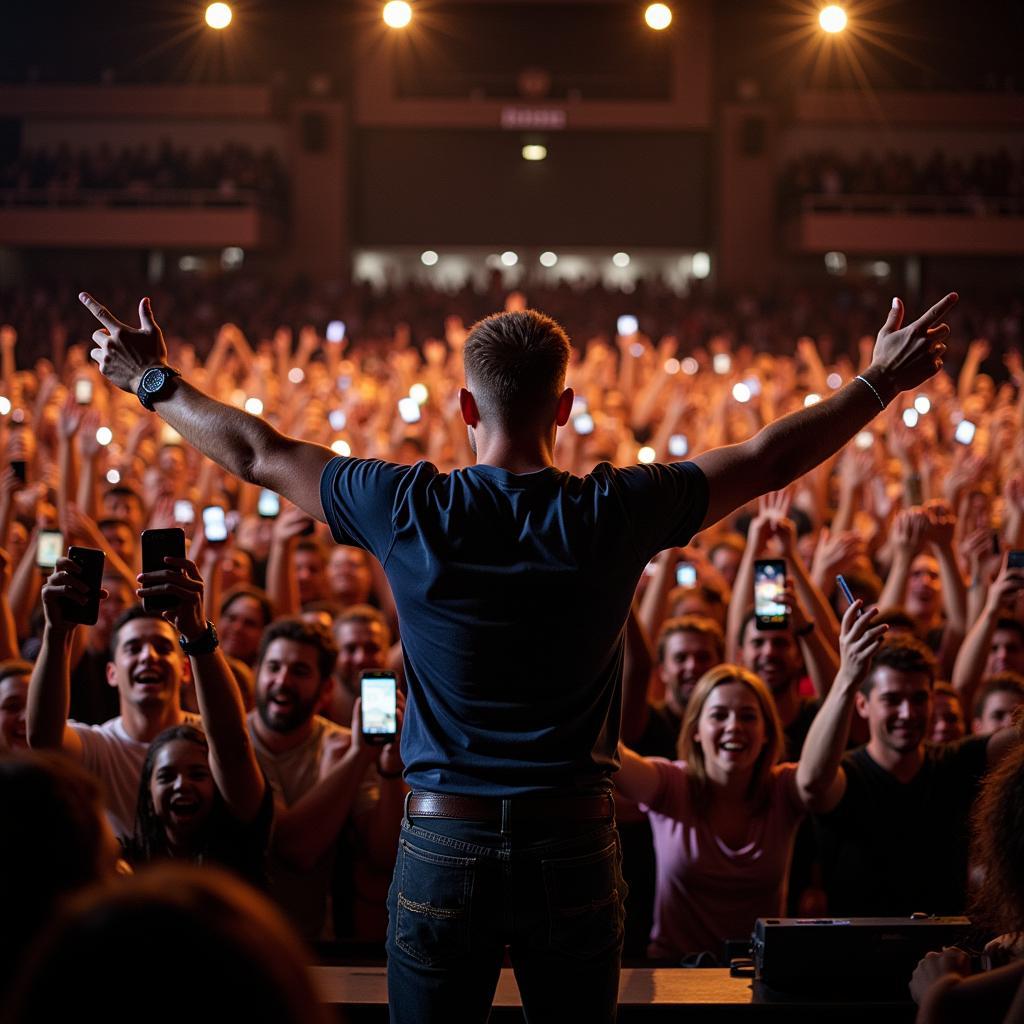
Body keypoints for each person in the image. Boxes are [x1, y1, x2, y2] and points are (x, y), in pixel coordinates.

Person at [80, 287, 956, 1022]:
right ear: (565, 410)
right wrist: (879, 381)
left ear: (466, 407)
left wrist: (150, 379)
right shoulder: (614, 512)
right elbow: (766, 458)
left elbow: (259, 452)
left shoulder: (405, 504)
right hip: (573, 840)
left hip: (441, 838)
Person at [616, 601, 887, 961]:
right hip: (673, 974)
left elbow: (815, 780)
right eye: (719, 715)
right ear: (696, 730)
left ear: (765, 734)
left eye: (747, 716)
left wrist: (847, 678)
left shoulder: (782, 790)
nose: (733, 726)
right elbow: (609, 755)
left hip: (758, 973)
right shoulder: (670, 784)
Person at [816, 636, 1020, 916]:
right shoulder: (846, 775)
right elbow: (811, 783)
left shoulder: (955, 762)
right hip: (857, 953)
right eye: (892, 699)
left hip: (945, 952)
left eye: (919, 698)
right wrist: (847, 678)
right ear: (862, 704)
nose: (907, 712)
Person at [124, 555, 271, 884]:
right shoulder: (125, 859)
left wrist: (197, 634)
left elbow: (231, 745)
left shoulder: (238, 837)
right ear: (147, 794)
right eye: (165, 776)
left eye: (198, 773)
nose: (182, 785)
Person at [26, 582, 199, 838]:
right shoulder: (99, 745)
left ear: (185, 670)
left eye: (162, 647)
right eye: (133, 648)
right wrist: (57, 631)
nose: (148, 656)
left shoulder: (206, 735)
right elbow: (43, 739)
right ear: (112, 673)